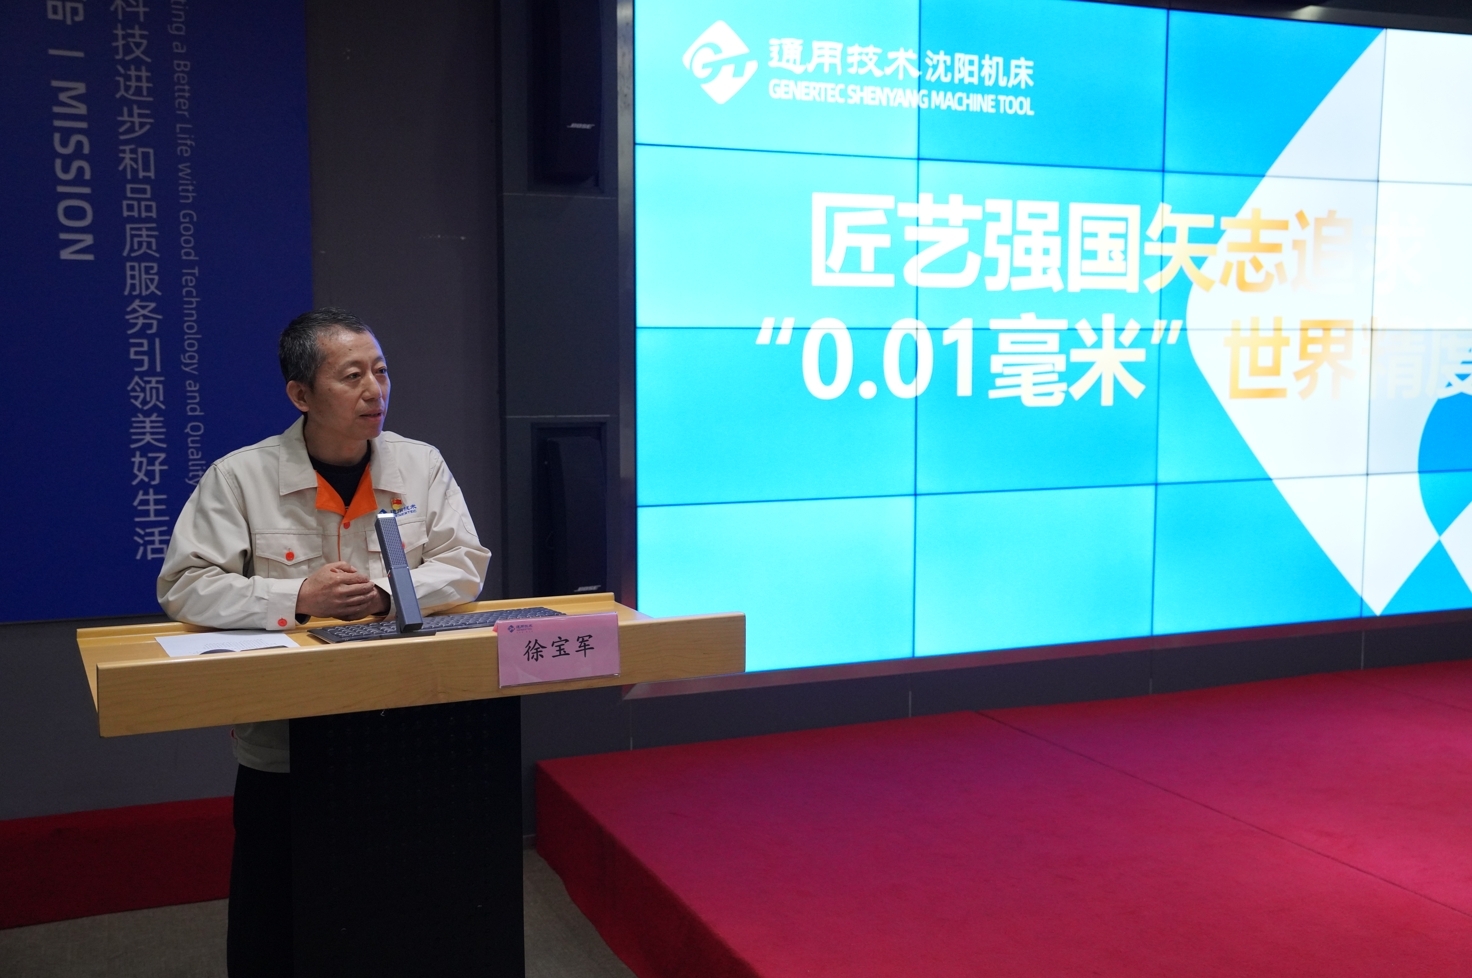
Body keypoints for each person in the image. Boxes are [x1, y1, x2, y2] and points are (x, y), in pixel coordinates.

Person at [157, 308, 490, 977]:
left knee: (396, 913)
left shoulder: (421, 465)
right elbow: (186, 585)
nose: (375, 390)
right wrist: (297, 598)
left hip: (402, 731)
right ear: (301, 394)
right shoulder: (240, 477)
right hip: (287, 742)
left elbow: (465, 563)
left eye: (381, 372)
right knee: (275, 919)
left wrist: (386, 594)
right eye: (352, 376)